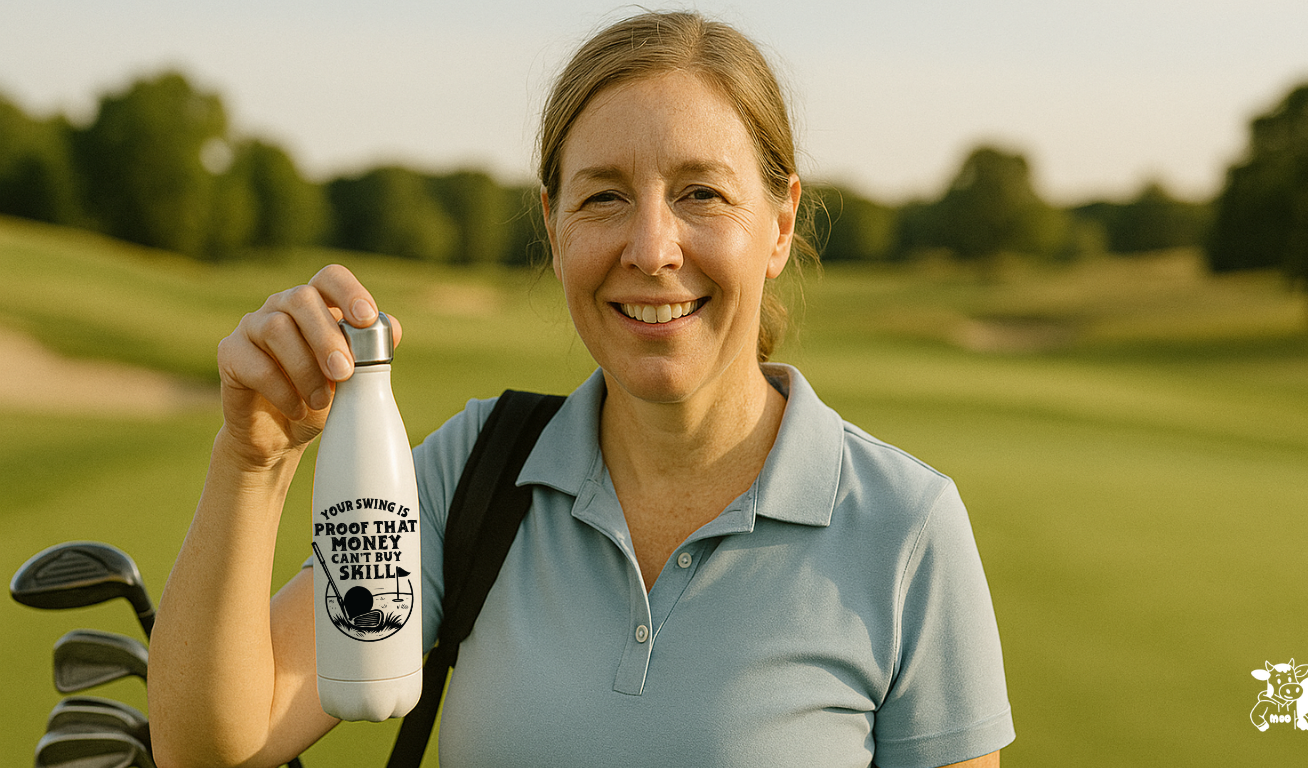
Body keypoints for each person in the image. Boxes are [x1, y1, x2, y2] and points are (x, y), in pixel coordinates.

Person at [148, 11, 1013, 768]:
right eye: (602, 198)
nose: (651, 247)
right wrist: (252, 460)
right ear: (554, 228)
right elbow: (211, 746)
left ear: (780, 225)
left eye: (701, 192)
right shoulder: (473, 473)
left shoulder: (906, 531)